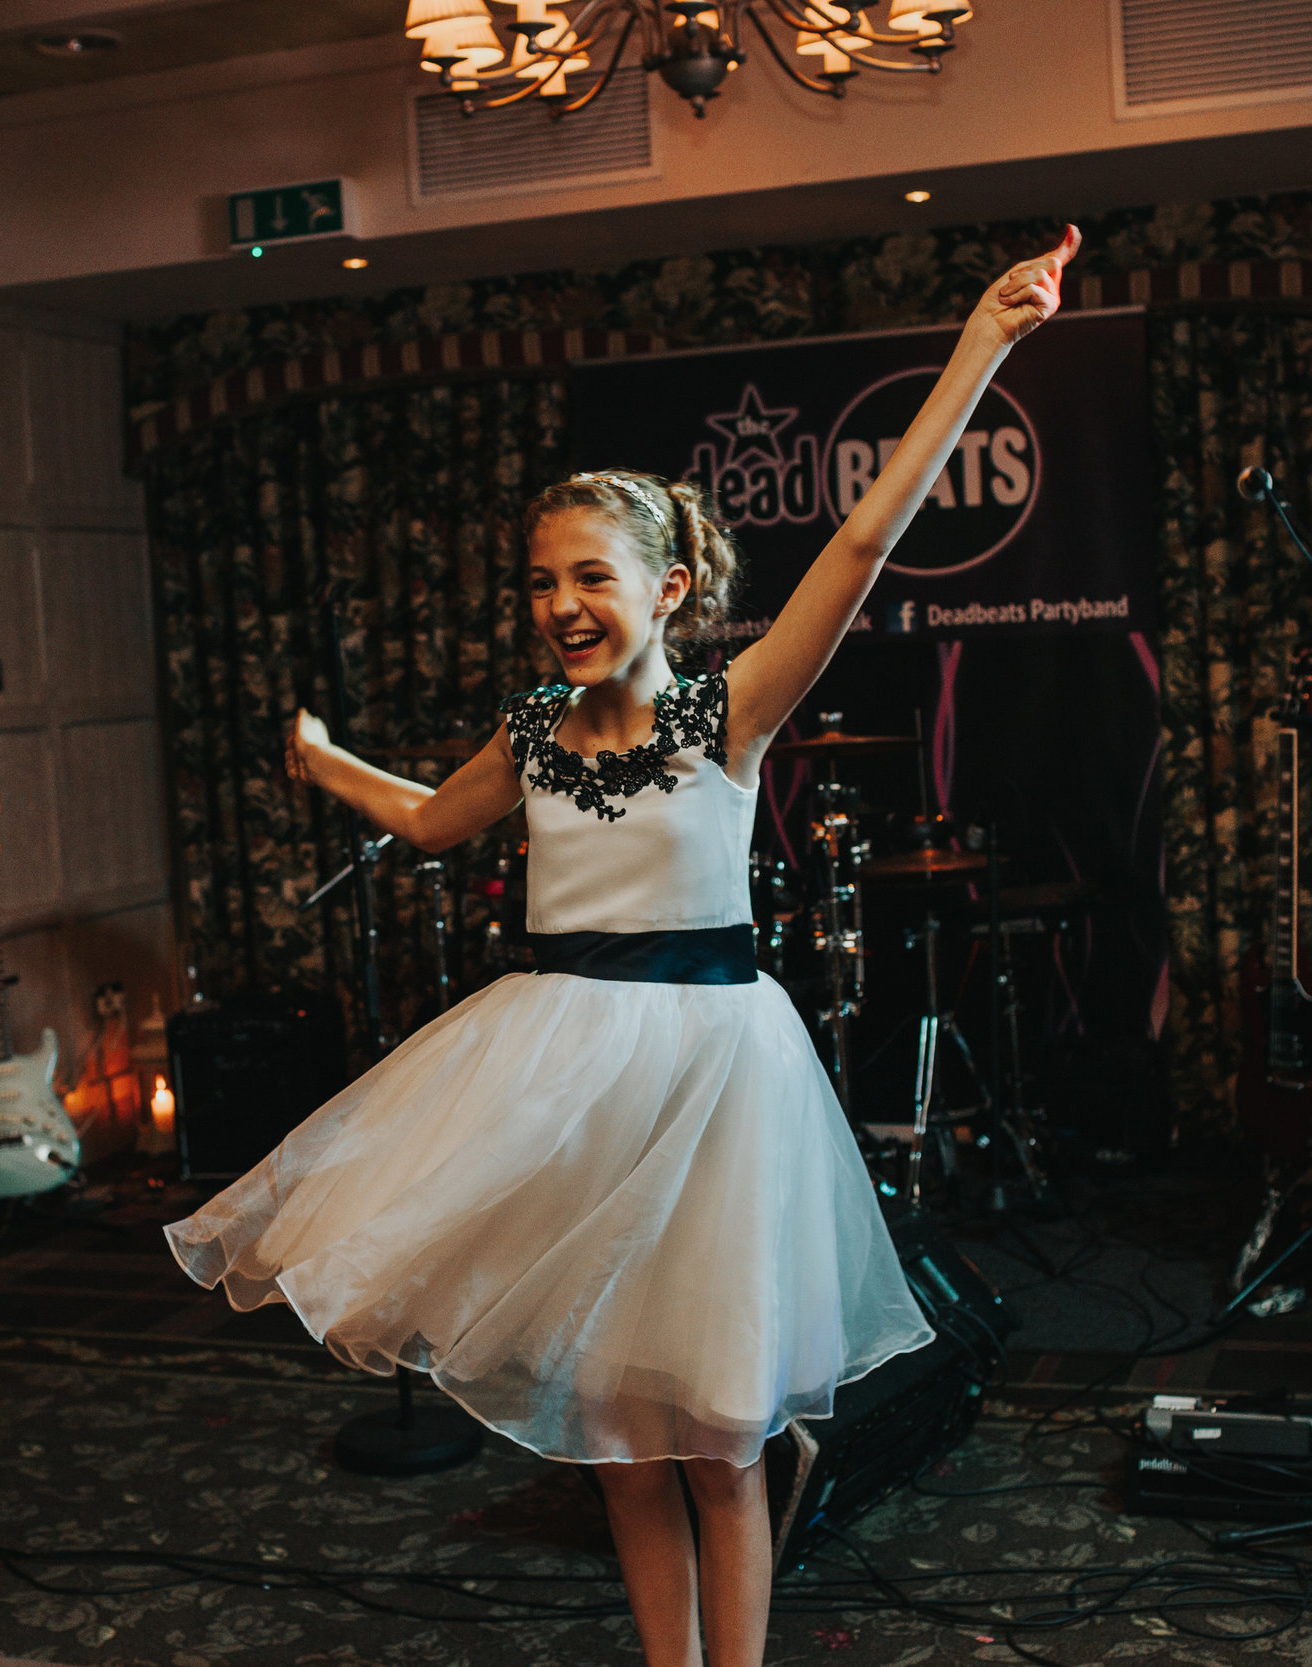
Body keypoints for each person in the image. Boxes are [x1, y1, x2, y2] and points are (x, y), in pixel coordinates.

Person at [166, 224, 1081, 1667]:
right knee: (616, 1434)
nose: (559, 607)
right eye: (539, 584)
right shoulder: (533, 731)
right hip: (567, 1079)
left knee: (717, 1442)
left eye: (588, 577)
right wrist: (326, 761)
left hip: (711, 1083)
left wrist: (985, 344)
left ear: (668, 591)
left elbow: (865, 536)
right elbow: (430, 823)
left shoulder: (733, 713)